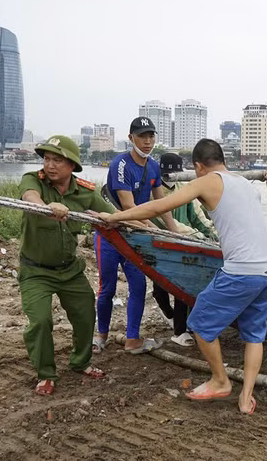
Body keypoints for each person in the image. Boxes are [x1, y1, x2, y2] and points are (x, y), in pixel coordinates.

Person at [97, 139, 267, 415]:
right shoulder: (244, 183)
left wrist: (117, 217)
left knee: (199, 323)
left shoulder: (208, 181)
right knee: (254, 333)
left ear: (197, 166)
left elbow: (160, 206)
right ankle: (246, 397)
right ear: (222, 159)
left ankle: (220, 380)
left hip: (243, 269)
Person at [18, 135, 116, 395]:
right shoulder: (33, 180)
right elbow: (30, 197)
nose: (49, 165)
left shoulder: (84, 191)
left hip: (70, 269)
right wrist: (46, 207)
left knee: (86, 313)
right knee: (39, 321)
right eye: (47, 159)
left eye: (57, 160)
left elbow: (111, 215)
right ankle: (46, 374)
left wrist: (113, 219)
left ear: (71, 165)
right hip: (36, 270)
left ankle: (80, 362)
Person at [92, 117, 179, 355]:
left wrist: (173, 230)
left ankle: (132, 339)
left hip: (135, 236)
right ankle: (101, 336)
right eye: (142, 136)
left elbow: (161, 202)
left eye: (151, 136)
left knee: (138, 286)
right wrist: (153, 228)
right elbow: (129, 206)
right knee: (107, 288)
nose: (148, 141)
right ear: (131, 138)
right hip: (111, 233)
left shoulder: (153, 166)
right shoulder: (121, 164)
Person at [151, 152, 219, 347]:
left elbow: (199, 217)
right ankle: (170, 315)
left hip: (184, 245)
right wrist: (194, 234)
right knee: (159, 288)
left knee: (183, 286)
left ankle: (181, 330)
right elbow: (157, 218)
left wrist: (213, 236)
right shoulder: (153, 192)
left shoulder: (185, 189)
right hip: (159, 244)